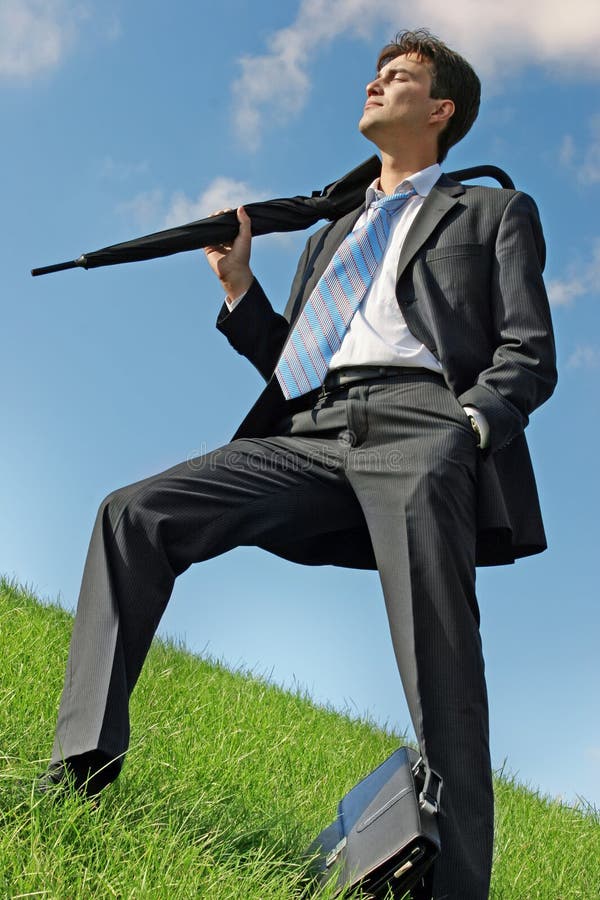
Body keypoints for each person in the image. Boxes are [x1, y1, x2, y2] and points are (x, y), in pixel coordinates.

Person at [40, 28, 556, 900]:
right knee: (134, 513)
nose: (375, 84)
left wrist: (467, 426)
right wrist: (240, 291)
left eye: (399, 77)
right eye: (376, 73)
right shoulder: (332, 234)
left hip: (423, 428)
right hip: (312, 431)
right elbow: (297, 363)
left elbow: (528, 351)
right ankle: (78, 773)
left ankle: (459, 888)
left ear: (441, 110)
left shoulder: (492, 212)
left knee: (441, 660)